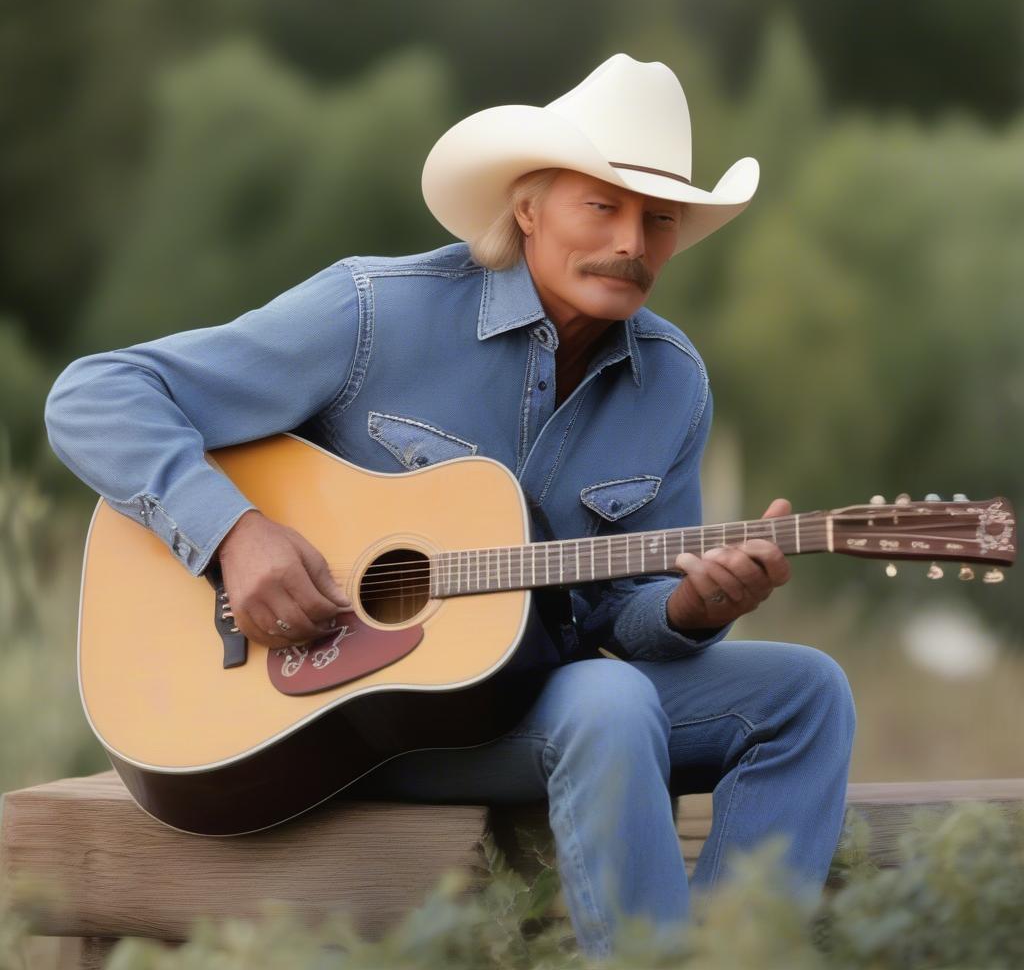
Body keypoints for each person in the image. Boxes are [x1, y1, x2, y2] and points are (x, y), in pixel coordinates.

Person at [44, 53, 856, 957]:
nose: (632, 240)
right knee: (612, 702)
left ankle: (739, 955)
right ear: (527, 208)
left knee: (807, 692)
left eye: (658, 218)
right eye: (603, 206)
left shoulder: (673, 384)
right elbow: (93, 395)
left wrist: (689, 609)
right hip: (359, 716)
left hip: (537, 703)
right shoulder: (374, 313)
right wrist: (234, 533)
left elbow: (624, 621)